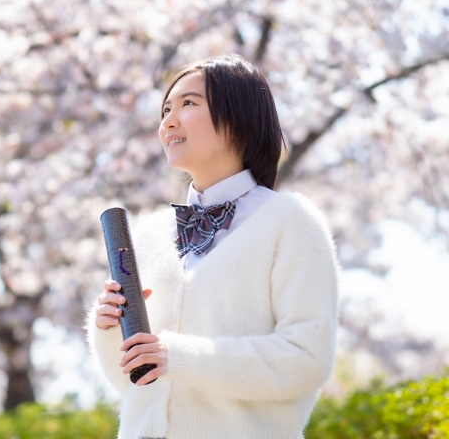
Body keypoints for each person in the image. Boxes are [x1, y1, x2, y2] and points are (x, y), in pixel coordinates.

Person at [85, 54, 339, 439]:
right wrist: (108, 328)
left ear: (240, 116)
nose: (169, 121)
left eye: (189, 104)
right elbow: (135, 387)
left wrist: (178, 357)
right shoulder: (152, 234)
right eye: (166, 109)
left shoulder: (290, 221)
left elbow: (306, 359)